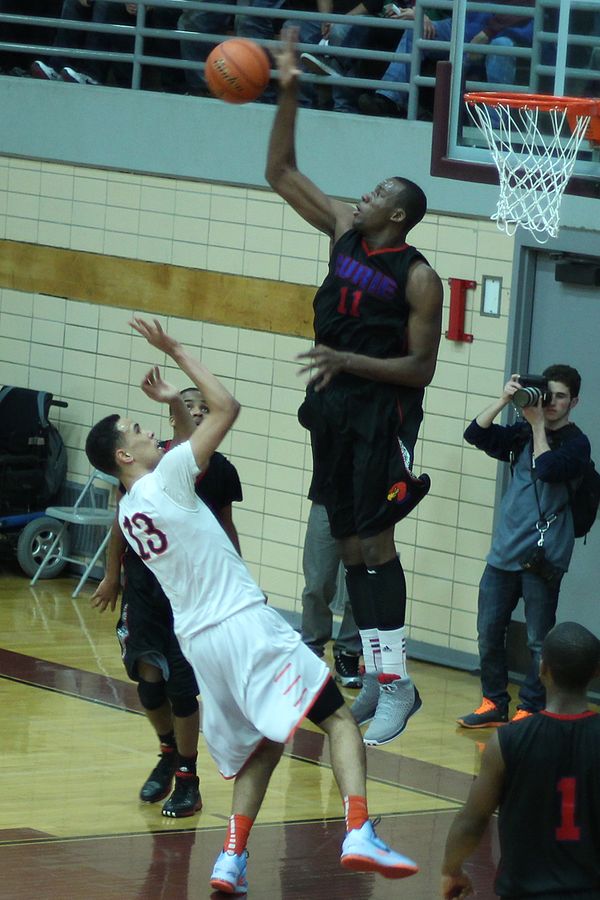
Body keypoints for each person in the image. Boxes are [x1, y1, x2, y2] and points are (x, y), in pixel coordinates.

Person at [85, 317, 420, 894]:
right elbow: (227, 407)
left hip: (202, 644)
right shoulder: (164, 476)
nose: (147, 432)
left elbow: (196, 455)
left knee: (264, 743)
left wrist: (173, 408)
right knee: (337, 718)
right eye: (135, 429)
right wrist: (177, 352)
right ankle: (359, 829)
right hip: (242, 624)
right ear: (123, 454)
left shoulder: (130, 508)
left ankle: (230, 860)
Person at [265, 32, 443, 747]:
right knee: (347, 544)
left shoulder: (419, 277)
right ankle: (376, 676)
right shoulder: (342, 232)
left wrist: (348, 360)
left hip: (383, 414)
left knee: (374, 546)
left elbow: (421, 370)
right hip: (335, 411)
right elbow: (280, 170)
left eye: (376, 195)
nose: (363, 197)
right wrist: (286, 86)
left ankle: (397, 685)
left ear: (396, 215)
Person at [92, 385, 243, 818]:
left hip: (189, 599)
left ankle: (189, 777)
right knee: (149, 682)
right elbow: (121, 525)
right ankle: (168, 752)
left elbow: (226, 525)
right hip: (146, 593)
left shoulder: (184, 466)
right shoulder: (139, 485)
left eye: (201, 409)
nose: (192, 415)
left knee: (181, 691)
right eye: (138, 428)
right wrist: (113, 574)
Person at [458, 366, 591, 729]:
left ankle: (530, 707)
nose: (550, 402)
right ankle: (493, 701)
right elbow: (475, 433)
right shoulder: (519, 433)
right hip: (505, 550)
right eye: (547, 394)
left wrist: (536, 426)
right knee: (488, 629)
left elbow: (547, 468)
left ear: (574, 402)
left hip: (544, 556)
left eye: (560, 396)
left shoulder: (577, 444)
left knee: (537, 639)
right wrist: (506, 399)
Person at [442, 621, 600, 900]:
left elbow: (472, 821)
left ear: (542, 669)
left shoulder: (508, 740)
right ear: (596, 672)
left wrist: (452, 870)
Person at [358, 0, 534, 118]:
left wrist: (489, 32)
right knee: (417, 30)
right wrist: (420, 11)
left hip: (508, 32)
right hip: (464, 23)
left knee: (501, 47)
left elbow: (527, 5)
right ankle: (389, 100)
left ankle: (496, 131)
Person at [301, 499, 363, 688]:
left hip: (366, 498)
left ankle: (348, 653)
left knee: (360, 584)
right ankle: (311, 648)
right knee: (317, 581)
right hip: (327, 495)